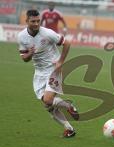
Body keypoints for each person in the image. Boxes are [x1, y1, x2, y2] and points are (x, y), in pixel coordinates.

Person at [17, 9, 79, 138]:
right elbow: (24, 58)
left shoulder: (47, 33)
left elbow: (66, 43)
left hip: (53, 69)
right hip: (39, 73)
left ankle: (68, 106)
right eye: (33, 21)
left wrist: (61, 61)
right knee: (48, 106)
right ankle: (69, 129)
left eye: (38, 21)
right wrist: (30, 53)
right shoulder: (21, 36)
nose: (36, 24)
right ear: (26, 21)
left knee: (48, 99)